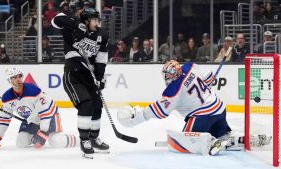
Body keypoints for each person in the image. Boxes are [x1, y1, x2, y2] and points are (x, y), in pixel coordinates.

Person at [117, 60, 271, 155]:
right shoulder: (189, 67)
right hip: (219, 109)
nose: (166, 78)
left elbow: (159, 111)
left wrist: (137, 116)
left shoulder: (173, 90)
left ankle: (212, 142)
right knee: (224, 136)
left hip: (203, 117)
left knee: (186, 142)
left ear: (174, 74)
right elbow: (209, 77)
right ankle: (236, 139)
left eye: (168, 75)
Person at [51, 8, 109, 158]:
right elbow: (55, 19)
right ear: (87, 20)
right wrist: (76, 24)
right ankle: (84, 141)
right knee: (86, 104)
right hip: (73, 75)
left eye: (98, 19)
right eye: (94, 19)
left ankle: (94, 138)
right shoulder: (72, 27)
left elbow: (101, 58)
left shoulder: (102, 34)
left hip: (89, 77)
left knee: (97, 107)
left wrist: (100, 76)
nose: (98, 22)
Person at [0, 68, 77, 150]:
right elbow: (4, 119)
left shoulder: (33, 91)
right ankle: (35, 137)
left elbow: (45, 112)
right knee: (21, 142)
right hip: (32, 120)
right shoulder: (6, 98)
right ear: (9, 81)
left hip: (50, 116)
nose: (18, 79)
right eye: (14, 77)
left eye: (19, 76)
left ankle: (78, 140)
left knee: (55, 142)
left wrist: (43, 132)